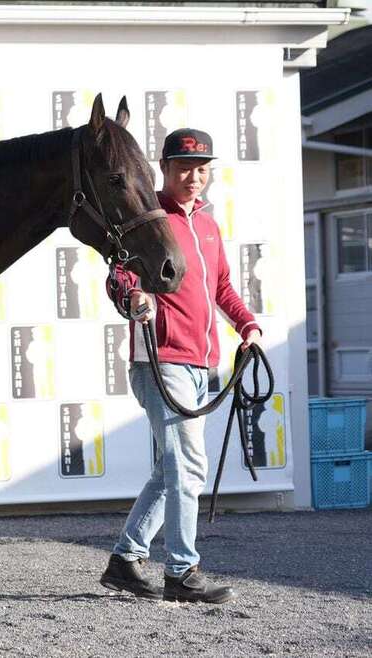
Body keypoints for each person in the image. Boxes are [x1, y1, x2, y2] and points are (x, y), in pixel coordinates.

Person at [99, 128, 261, 604]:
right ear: (165, 170)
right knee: (188, 465)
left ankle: (125, 560)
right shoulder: (151, 218)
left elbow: (223, 287)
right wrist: (133, 298)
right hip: (160, 361)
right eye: (186, 168)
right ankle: (182, 572)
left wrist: (247, 325)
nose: (195, 177)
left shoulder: (208, 226)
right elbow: (120, 275)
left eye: (203, 169)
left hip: (200, 362)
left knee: (173, 469)